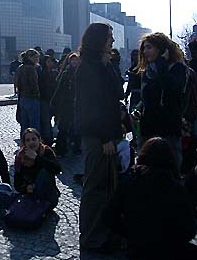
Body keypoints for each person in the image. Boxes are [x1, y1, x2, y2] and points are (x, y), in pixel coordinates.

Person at [103, 137, 197, 259]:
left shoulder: (130, 183)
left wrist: (130, 233)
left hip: (138, 250)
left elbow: (108, 215)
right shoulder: (175, 187)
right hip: (168, 250)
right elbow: (189, 229)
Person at [74, 23, 123, 251]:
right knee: (95, 189)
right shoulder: (88, 67)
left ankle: (103, 233)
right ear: (99, 40)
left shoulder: (104, 64)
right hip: (98, 137)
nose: (112, 41)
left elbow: (115, 94)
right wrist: (105, 138)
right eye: (109, 37)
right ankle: (91, 238)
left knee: (106, 187)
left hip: (108, 134)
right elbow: (92, 107)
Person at [132, 32, 186, 170]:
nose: (145, 51)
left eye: (149, 47)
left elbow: (172, 90)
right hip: (148, 127)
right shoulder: (146, 71)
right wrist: (138, 109)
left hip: (168, 127)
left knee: (170, 167)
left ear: (161, 49)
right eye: (144, 48)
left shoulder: (176, 68)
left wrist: (161, 65)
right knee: (146, 167)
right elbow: (146, 97)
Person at [14, 128, 61, 210]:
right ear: (24, 143)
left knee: (45, 171)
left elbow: (57, 169)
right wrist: (26, 188)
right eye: (27, 140)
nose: (31, 142)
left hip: (47, 196)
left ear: (39, 140)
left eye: (34, 139)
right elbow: (17, 183)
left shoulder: (46, 151)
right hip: (30, 195)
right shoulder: (20, 156)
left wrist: (36, 158)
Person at [51, 52, 80, 156]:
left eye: (76, 60)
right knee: (63, 127)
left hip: (77, 105)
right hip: (66, 105)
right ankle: (61, 149)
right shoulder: (65, 73)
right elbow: (59, 89)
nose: (74, 62)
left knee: (77, 128)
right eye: (72, 60)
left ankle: (77, 148)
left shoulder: (81, 73)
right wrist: (54, 102)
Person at [16, 48, 41, 136]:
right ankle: (35, 143)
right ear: (31, 58)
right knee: (34, 124)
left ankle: (24, 142)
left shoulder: (20, 67)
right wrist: (38, 95)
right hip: (32, 98)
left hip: (22, 98)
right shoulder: (31, 68)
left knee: (24, 124)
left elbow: (17, 83)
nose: (37, 59)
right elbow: (34, 84)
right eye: (36, 57)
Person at [39, 55, 58, 145]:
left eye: (51, 62)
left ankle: (50, 137)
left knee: (51, 119)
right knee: (46, 121)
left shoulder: (53, 72)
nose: (50, 64)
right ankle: (48, 139)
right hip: (45, 100)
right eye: (48, 62)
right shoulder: (43, 73)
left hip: (52, 99)